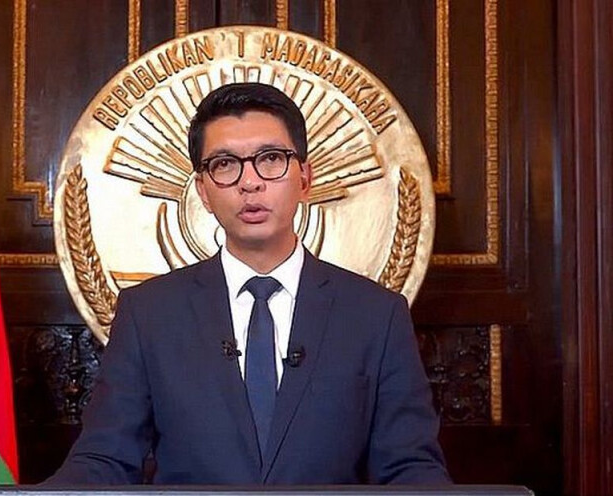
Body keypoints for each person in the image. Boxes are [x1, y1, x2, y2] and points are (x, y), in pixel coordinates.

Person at [47, 82, 450, 485]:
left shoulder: (376, 315)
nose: (250, 182)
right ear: (203, 191)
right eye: (225, 164)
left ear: (305, 178)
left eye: (271, 159)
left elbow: (410, 468)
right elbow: (103, 459)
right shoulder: (149, 314)